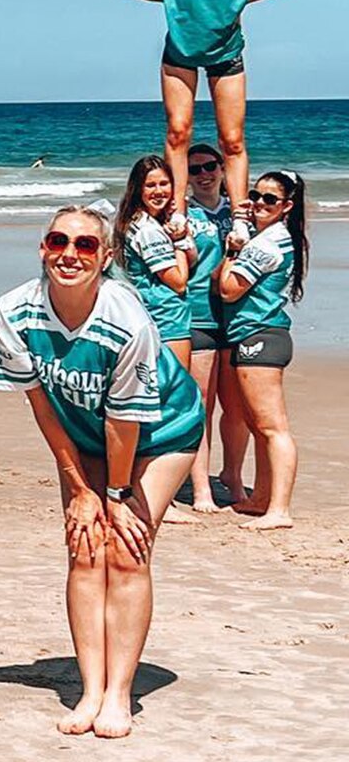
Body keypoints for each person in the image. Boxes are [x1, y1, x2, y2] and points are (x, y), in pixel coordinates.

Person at [0, 204, 204, 738]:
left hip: (162, 432)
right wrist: (78, 487)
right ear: (43, 248)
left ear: (105, 257)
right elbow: (41, 405)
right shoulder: (12, 312)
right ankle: (89, 691)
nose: (70, 254)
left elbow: (123, 423)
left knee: (126, 550)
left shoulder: (125, 317)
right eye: (58, 241)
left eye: (85, 245)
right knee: (84, 547)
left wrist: (114, 493)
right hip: (85, 436)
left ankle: (118, 694)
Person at [125, 0, 298, 231]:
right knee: (178, 132)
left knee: (231, 140)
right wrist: (169, 0)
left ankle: (239, 218)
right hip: (180, 51)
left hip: (225, 49)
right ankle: (177, 212)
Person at [218, 170, 306, 530]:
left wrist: (231, 251)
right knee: (258, 426)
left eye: (270, 199)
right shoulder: (274, 237)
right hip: (258, 334)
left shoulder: (266, 244)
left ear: (287, 206)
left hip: (260, 336)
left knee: (272, 427)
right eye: (255, 195)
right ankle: (262, 498)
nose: (259, 203)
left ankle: (279, 510)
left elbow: (228, 289)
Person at [181, 144, 239, 511]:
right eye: (194, 170)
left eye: (210, 166)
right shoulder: (182, 213)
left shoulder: (239, 211)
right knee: (201, 404)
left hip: (236, 317)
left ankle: (232, 475)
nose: (204, 174)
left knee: (236, 408)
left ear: (221, 168)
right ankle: (201, 487)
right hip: (198, 314)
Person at [111, 156, 194, 369]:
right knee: (175, 384)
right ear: (138, 189)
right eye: (150, 185)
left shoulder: (139, 221)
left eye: (164, 184)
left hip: (149, 314)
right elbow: (178, 282)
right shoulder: (148, 230)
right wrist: (178, 241)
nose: (158, 191)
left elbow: (192, 260)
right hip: (166, 318)